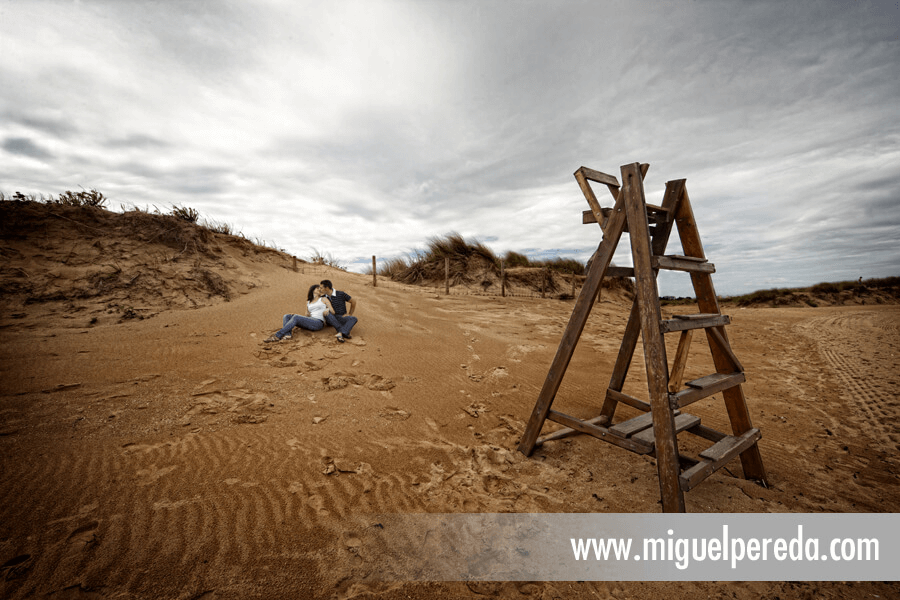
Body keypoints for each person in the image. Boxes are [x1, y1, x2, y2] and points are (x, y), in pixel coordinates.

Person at [263, 284, 334, 343]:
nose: (319, 289)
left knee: (296, 317)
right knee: (286, 316)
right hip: (310, 320)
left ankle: (277, 336)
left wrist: (327, 309)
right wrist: (295, 316)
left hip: (318, 323)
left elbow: (333, 311)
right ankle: (288, 335)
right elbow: (307, 315)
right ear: (313, 290)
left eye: (320, 288)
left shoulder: (324, 299)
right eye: (317, 288)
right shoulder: (308, 302)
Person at [319, 279, 357, 344]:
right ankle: (344, 332)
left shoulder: (341, 294)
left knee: (353, 318)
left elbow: (353, 301)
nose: (320, 289)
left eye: (321, 288)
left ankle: (340, 333)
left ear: (327, 288)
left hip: (341, 317)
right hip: (330, 318)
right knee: (327, 313)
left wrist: (350, 313)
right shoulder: (322, 298)